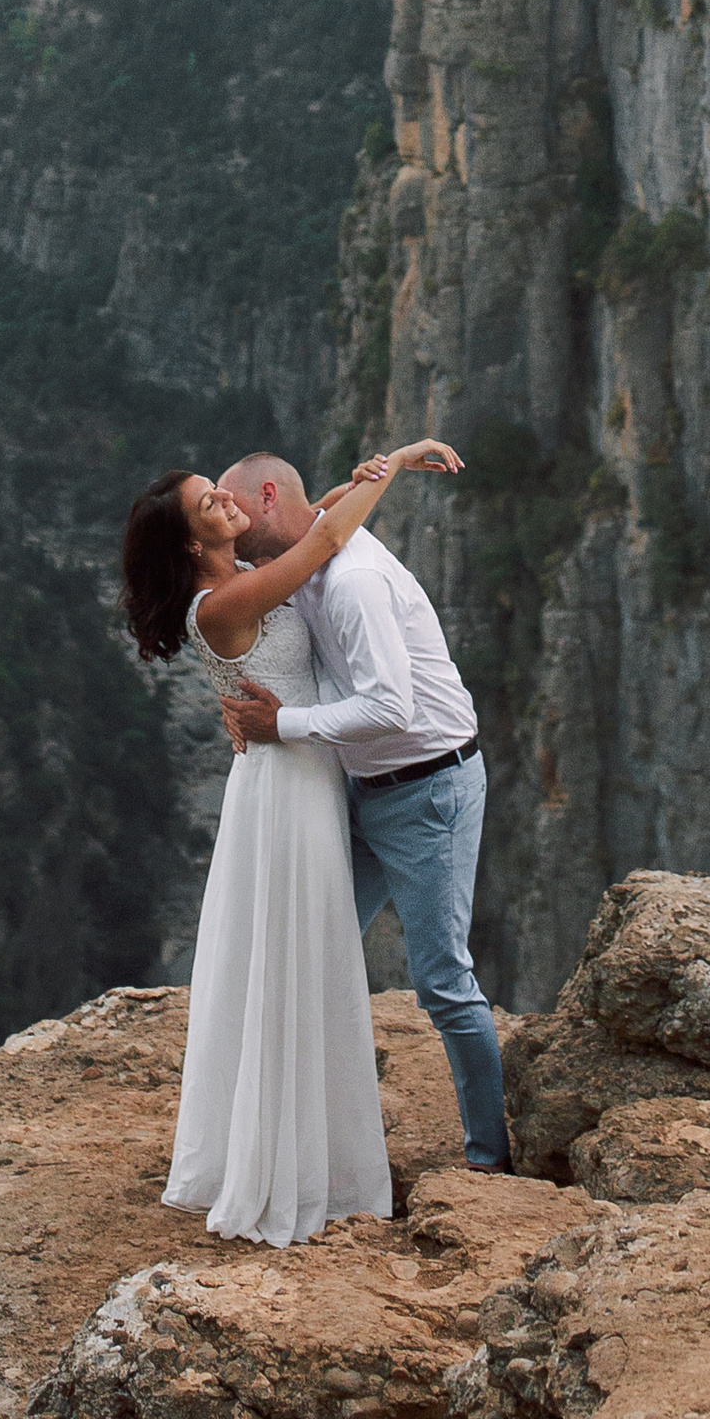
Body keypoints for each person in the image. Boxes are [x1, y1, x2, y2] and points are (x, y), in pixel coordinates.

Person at [118, 436, 462, 1245]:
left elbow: (317, 516)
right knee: (299, 957)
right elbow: (327, 538)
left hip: (297, 775)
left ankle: (296, 1150)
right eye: (210, 503)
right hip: (288, 790)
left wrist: (364, 474)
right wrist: (394, 465)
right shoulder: (225, 602)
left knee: (295, 955)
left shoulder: (237, 578)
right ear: (192, 543)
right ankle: (293, 1168)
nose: (227, 499)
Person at [217, 447, 511, 1179]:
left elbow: (390, 708)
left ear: (265, 497)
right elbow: (317, 512)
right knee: (314, 946)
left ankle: (491, 1163)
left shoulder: (352, 582)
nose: (228, 528)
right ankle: (309, 1138)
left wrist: (281, 725)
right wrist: (392, 462)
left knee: (443, 982)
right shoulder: (309, 550)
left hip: (429, 792)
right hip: (364, 789)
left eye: (232, 509)